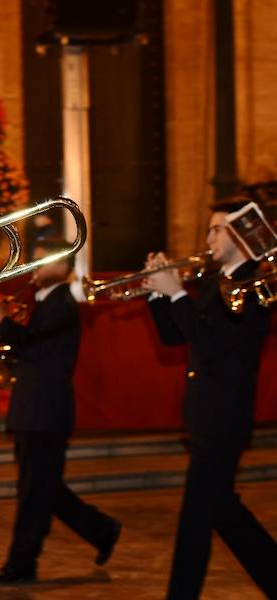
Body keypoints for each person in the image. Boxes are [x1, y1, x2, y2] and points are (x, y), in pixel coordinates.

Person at [145, 198, 277, 599]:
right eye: (209, 229)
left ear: (241, 234)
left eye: (217, 229)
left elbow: (213, 346)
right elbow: (175, 338)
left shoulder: (260, 281)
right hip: (203, 413)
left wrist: (178, 296)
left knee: (196, 520)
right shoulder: (211, 278)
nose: (208, 237)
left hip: (226, 416)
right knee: (223, 510)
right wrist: (158, 295)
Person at [0, 238, 121, 585]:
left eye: (43, 262)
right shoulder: (43, 304)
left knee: (35, 492)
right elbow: (29, 352)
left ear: (64, 267)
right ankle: (102, 530)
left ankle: (22, 564)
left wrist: (2, 321)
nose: (35, 268)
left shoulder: (62, 304)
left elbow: (36, 347)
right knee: (44, 489)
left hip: (45, 413)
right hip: (34, 410)